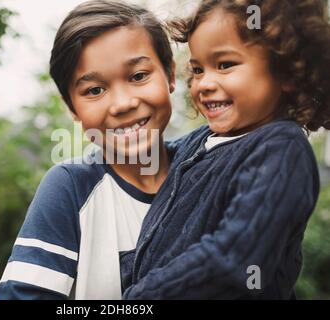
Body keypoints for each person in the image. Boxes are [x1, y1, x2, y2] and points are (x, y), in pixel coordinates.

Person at [123, 0, 330, 299]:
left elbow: (234, 261)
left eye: (225, 65)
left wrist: (138, 298)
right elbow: (155, 159)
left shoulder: (282, 151)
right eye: (197, 69)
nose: (204, 83)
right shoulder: (202, 140)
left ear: (285, 71)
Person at [0, 0, 177, 299]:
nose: (123, 103)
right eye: (94, 90)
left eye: (138, 76)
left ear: (170, 74)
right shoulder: (71, 188)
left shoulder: (207, 166)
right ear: (72, 109)